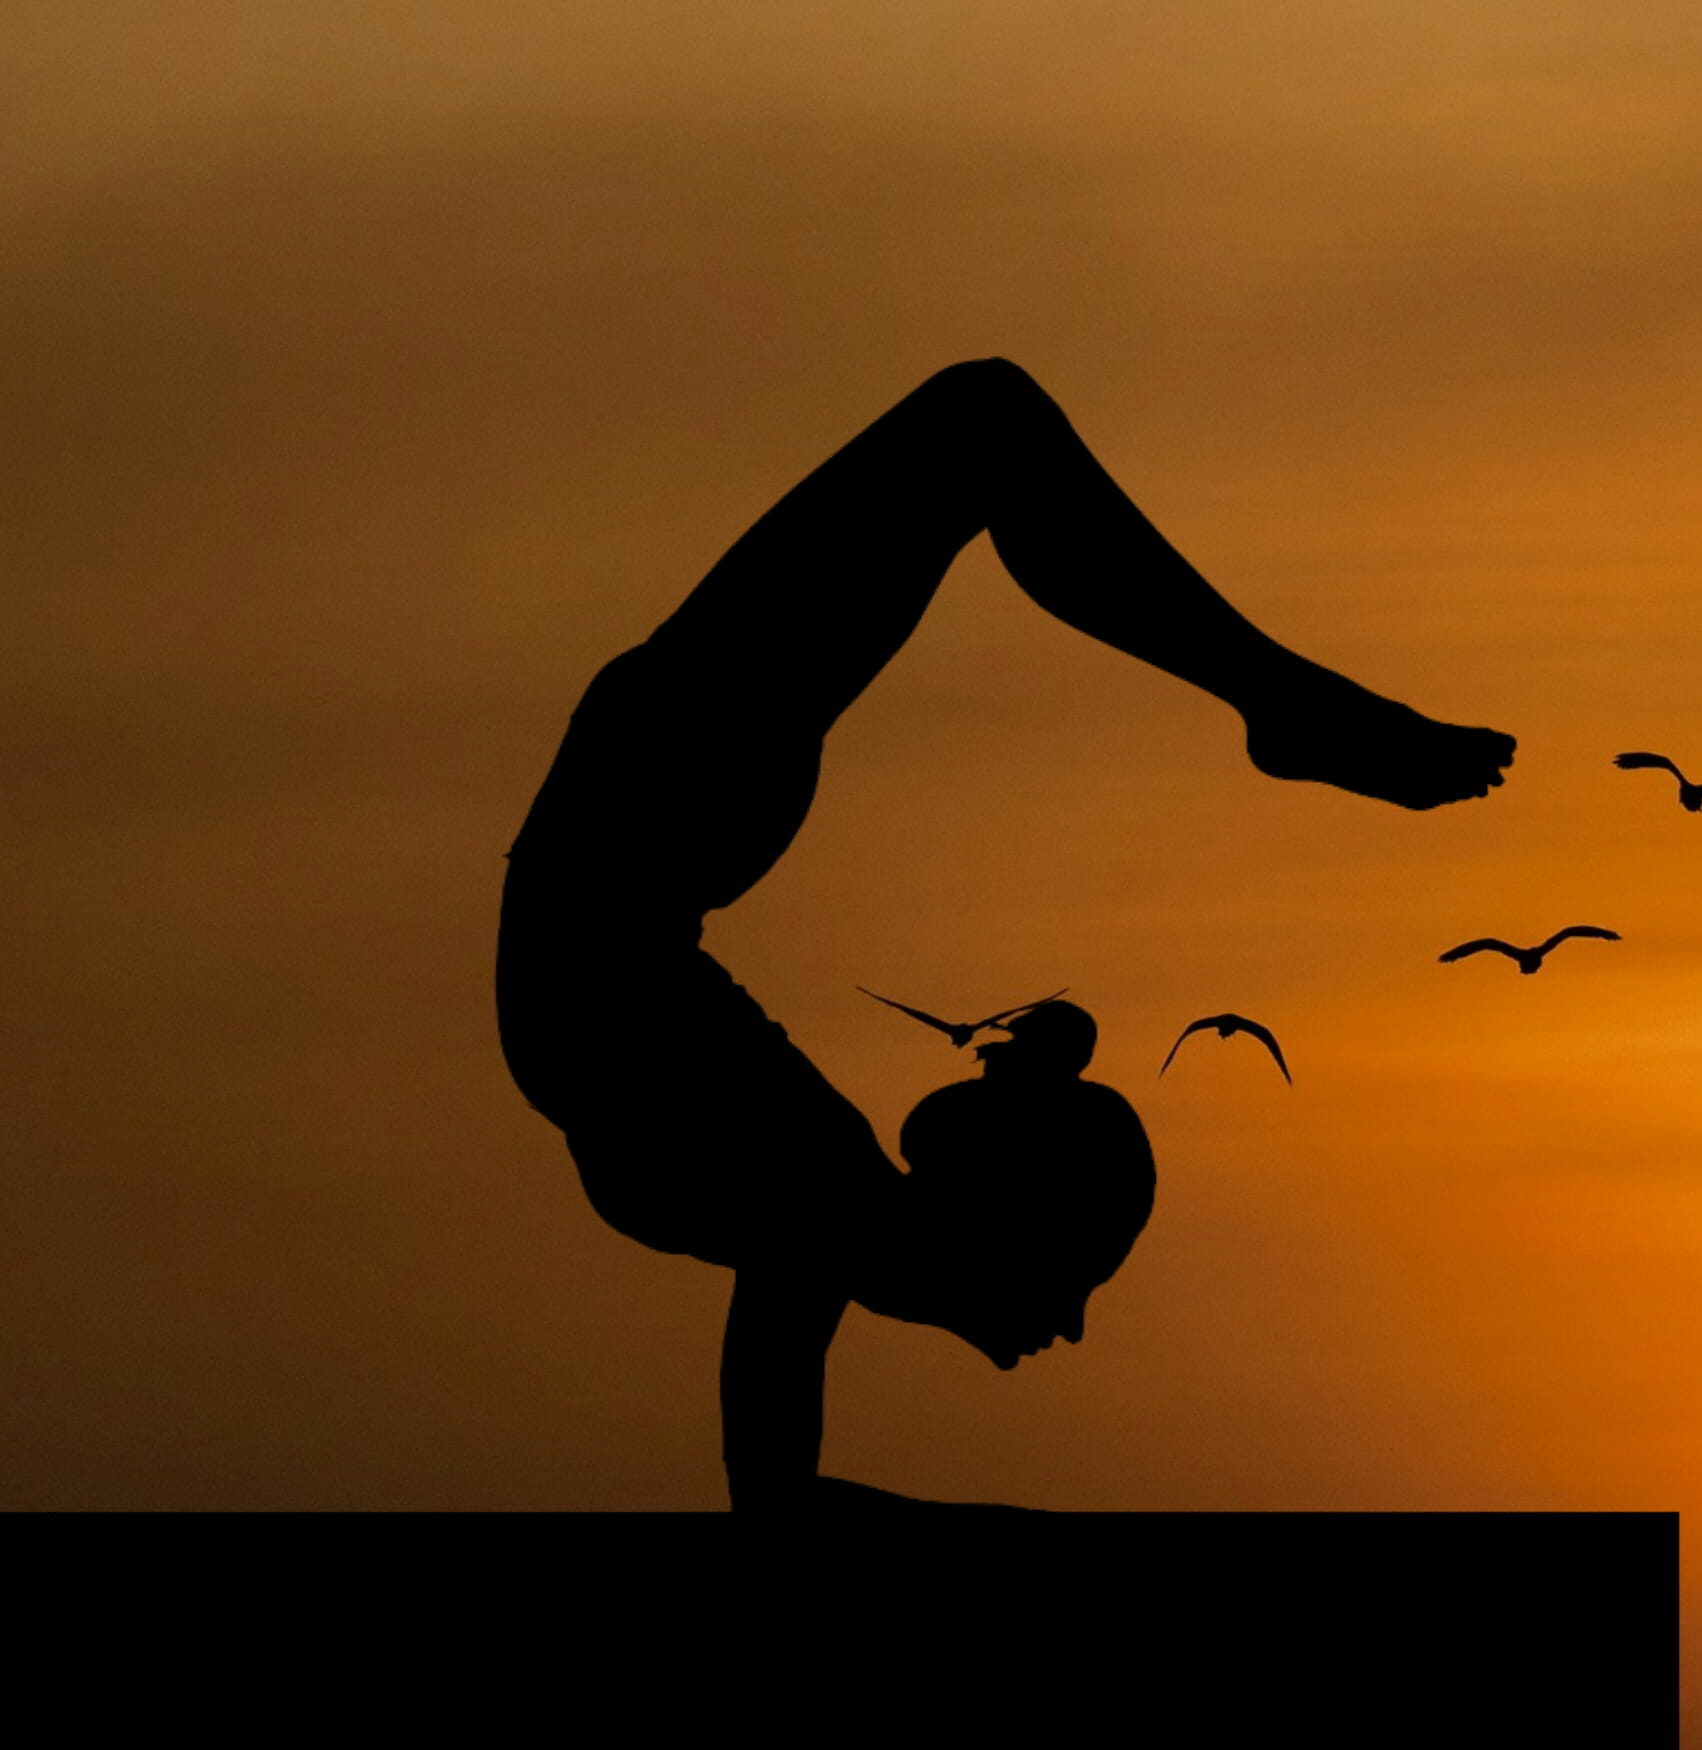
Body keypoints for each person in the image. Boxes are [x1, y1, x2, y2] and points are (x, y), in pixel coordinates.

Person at [494, 359, 1514, 1509]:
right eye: (1079, 1273)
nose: (1070, 1327)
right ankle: (1278, 702)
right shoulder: (815, 1196)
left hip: (644, 832)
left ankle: (1278, 699)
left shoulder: (814, 1200)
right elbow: (780, 1486)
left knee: (989, 423)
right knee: (986, 424)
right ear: (1000, 1229)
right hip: (651, 820)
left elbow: (776, 1487)